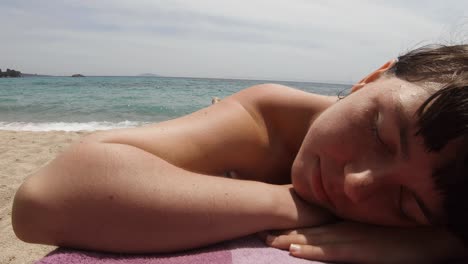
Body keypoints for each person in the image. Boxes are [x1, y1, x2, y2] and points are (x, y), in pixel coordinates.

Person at [11, 44, 468, 263]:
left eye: (405, 204)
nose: (357, 182)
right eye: (380, 134)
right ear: (371, 77)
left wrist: (446, 245)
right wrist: (292, 203)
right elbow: (43, 201)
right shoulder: (271, 115)